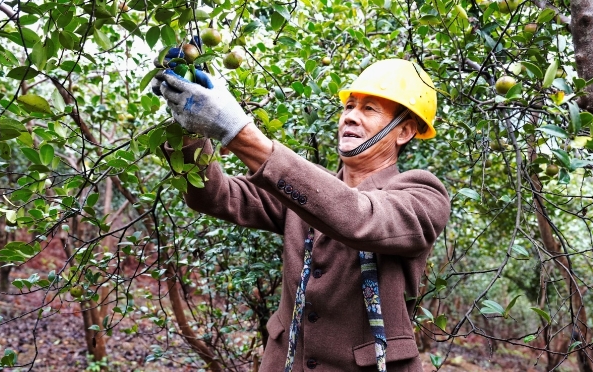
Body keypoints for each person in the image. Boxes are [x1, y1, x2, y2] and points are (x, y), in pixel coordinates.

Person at [154, 58, 451, 372]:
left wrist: (239, 133)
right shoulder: (300, 188)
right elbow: (214, 196)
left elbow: (360, 218)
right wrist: (187, 129)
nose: (350, 117)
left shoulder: (423, 195)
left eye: (369, 110)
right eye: (349, 106)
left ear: (403, 131)